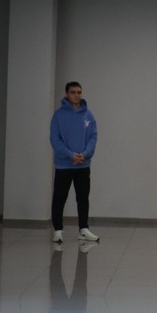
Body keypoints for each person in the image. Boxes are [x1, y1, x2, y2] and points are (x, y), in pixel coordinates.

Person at [50, 81, 99, 244]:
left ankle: (83, 229)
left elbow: (93, 137)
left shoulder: (88, 115)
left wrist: (85, 154)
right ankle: (58, 231)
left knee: (83, 198)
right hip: (64, 165)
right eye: (73, 92)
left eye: (79, 92)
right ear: (67, 94)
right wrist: (70, 155)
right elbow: (55, 139)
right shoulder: (58, 115)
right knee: (59, 198)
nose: (76, 95)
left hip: (83, 165)